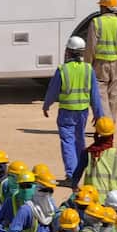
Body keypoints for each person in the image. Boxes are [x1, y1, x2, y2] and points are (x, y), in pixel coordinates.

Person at [42, 36, 104, 182]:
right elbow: (95, 94)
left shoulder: (62, 70)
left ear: (68, 52)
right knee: (79, 140)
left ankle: (71, 174)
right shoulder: (88, 69)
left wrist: (46, 105)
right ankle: (80, 170)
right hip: (82, 112)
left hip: (66, 112)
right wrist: (98, 114)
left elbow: (52, 91)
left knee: (67, 142)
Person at [84, 0, 117, 119]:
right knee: (113, 95)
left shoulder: (96, 22)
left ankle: (105, 125)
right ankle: (111, 125)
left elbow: (91, 47)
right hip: (116, 65)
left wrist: (87, 65)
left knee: (101, 95)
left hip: (100, 65)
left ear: (104, 7)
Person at [74, 117, 117, 195]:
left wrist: (75, 187)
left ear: (97, 133)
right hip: (112, 199)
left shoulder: (88, 153)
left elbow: (77, 174)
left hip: (92, 199)